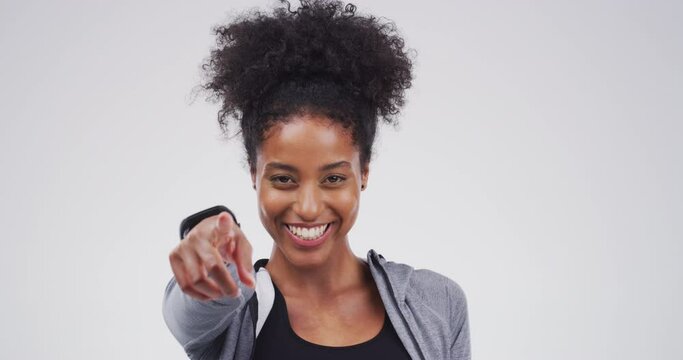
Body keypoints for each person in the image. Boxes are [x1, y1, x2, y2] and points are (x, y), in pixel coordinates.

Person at [162, 1, 471, 359]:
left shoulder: (437, 302)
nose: (308, 208)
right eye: (283, 179)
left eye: (334, 178)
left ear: (364, 172)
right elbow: (189, 309)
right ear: (254, 174)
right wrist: (206, 245)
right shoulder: (233, 312)